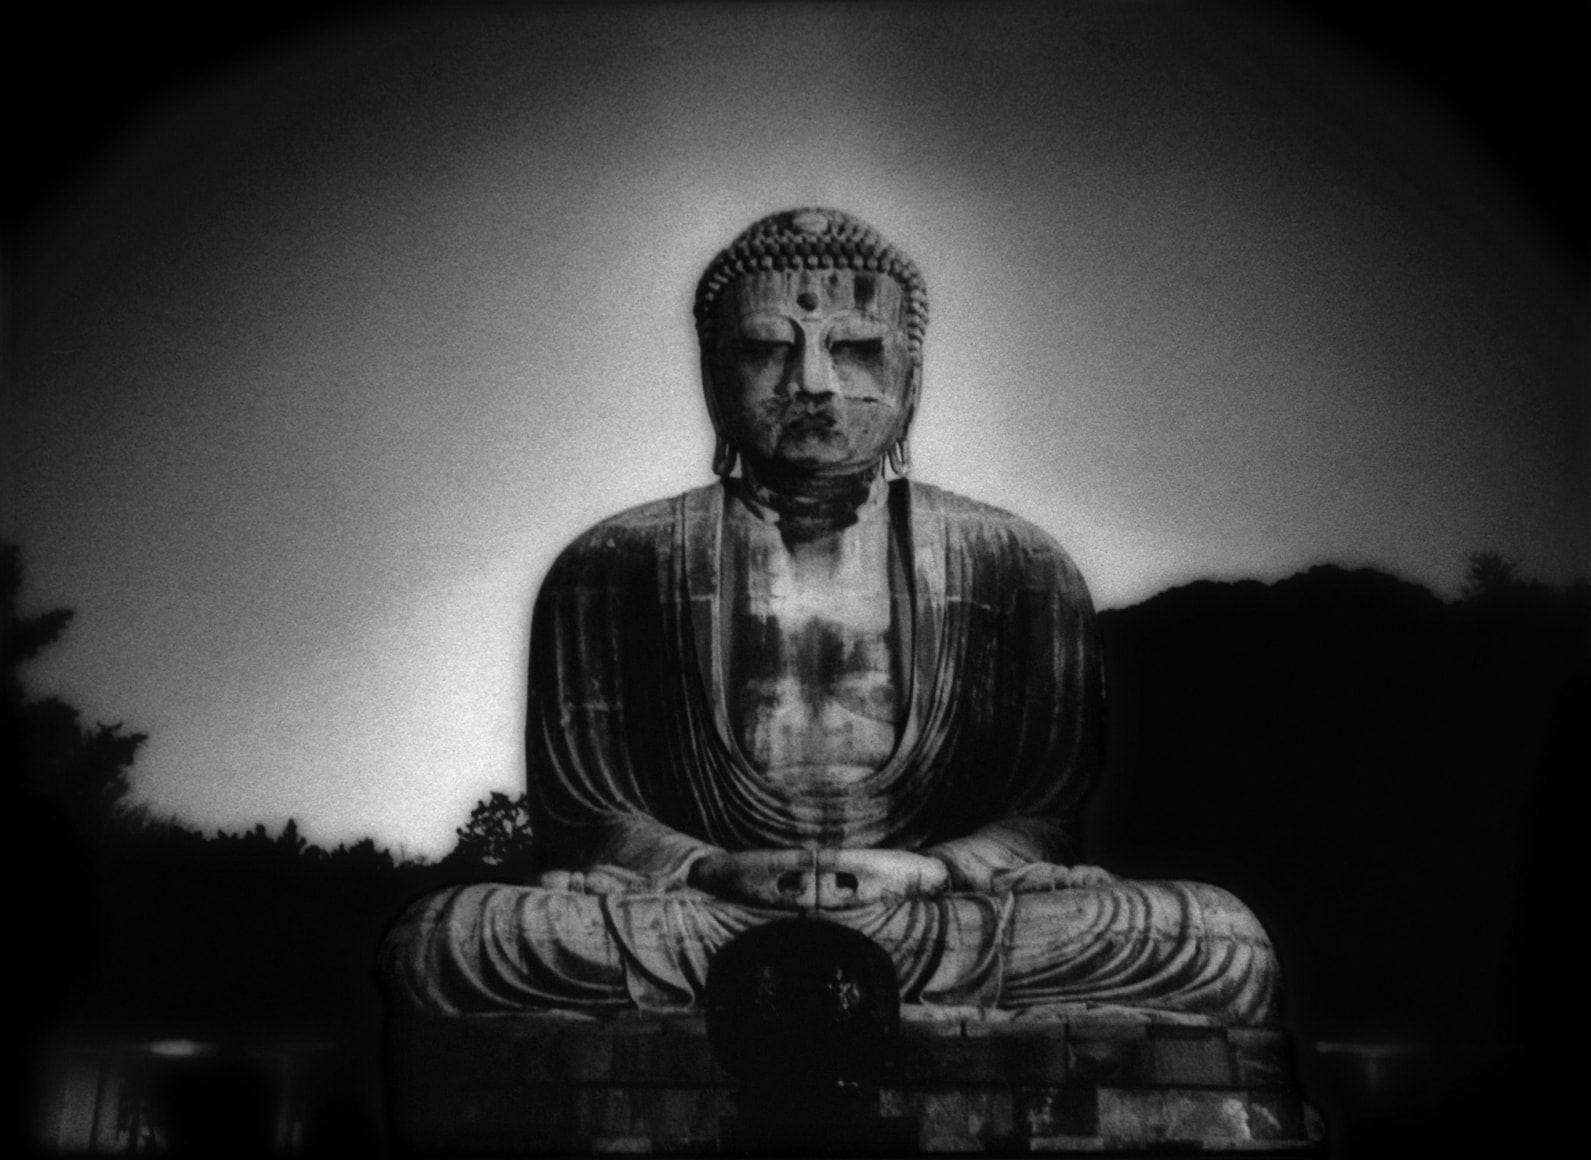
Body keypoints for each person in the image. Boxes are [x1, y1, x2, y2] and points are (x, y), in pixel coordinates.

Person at [381, 209, 1278, 1025]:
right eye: (768, 350)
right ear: (710, 374)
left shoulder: (1021, 567)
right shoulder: (612, 566)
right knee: (450, 940)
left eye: (853, 350)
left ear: (911, 375)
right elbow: (587, 815)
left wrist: (931, 870)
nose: (812, 382)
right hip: (705, 915)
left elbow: (1041, 816)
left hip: (932, 913)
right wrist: (705, 868)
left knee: (1212, 939)